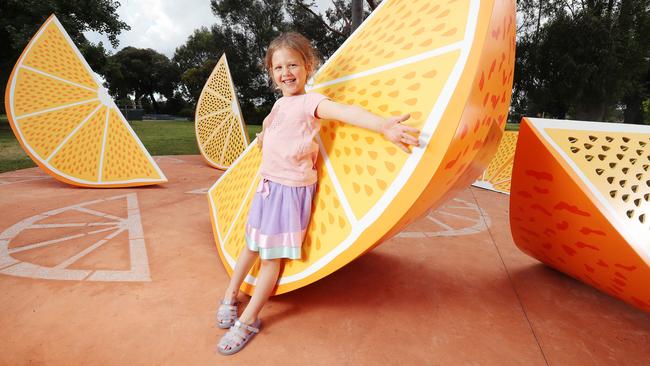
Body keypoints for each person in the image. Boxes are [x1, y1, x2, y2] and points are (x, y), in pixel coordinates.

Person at [216, 32, 420, 355]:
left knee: (270, 260)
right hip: (267, 187)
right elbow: (272, 124)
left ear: (307, 66)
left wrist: (383, 125)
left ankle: (250, 319)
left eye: (293, 64)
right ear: (271, 72)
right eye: (278, 67)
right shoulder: (280, 103)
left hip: (290, 193)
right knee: (250, 245)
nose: (286, 73)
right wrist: (263, 138)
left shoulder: (312, 102)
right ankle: (230, 295)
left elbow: (346, 112)